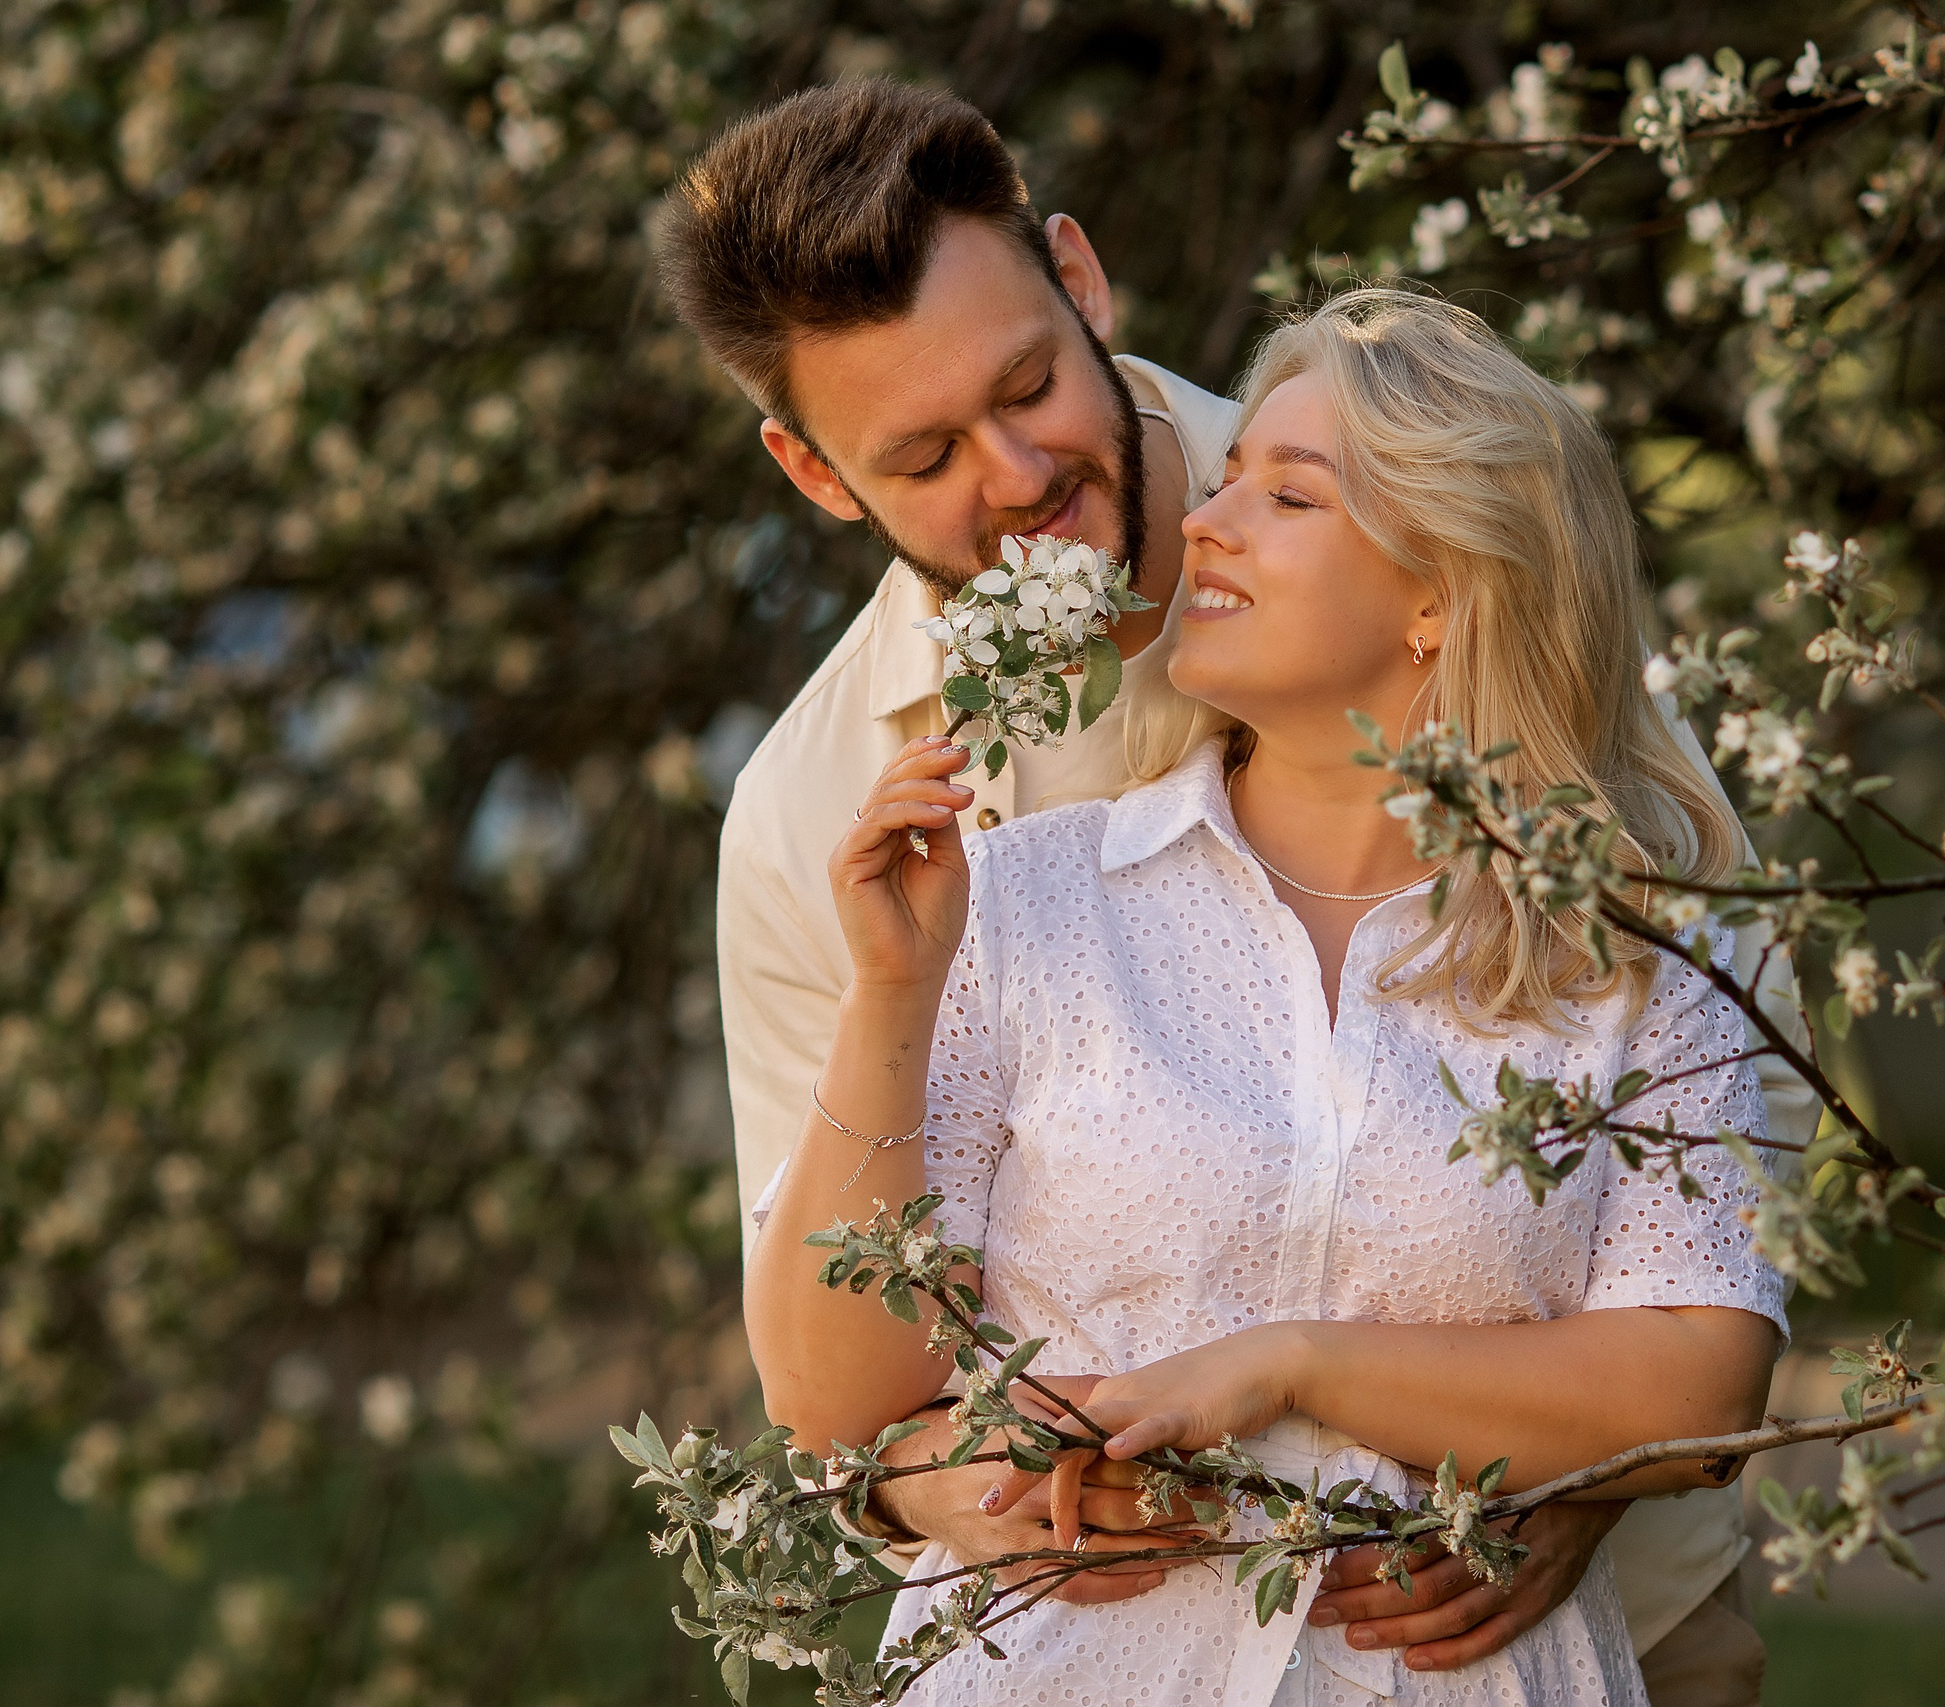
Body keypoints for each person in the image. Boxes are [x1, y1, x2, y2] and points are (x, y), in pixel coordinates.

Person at [656, 81, 1813, 1700]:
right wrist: (1004, 1483)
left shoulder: (1421, 482)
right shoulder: (818, 817)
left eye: (1029, 384)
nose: (1016, 473)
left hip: (1554, 1631)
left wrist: (1578, 1478)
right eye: (922, 452)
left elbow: (1716, 1056)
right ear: (813, 471)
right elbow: (842, 1379)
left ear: (1081, 277)